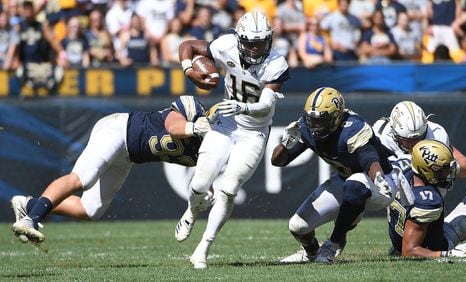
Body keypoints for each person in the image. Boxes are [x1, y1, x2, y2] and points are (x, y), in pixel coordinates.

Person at [11, 96, 212, 244]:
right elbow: (173, 127)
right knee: (82, 179)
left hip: (128, 156)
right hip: (118, 131)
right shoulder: (192, 107)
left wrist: (205, 196)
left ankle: (29, 205)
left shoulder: (211, 151)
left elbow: (201, 181)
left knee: (90, 211)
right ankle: (31, 220)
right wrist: (195, 127)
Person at [175, 11, 289, 269]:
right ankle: (192, 211)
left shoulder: (276, 64)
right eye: (251, 42)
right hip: (226, 124)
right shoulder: (225, 45)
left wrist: (242, 108)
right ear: (239, 40)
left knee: (227, 189)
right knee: (200, 184)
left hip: (254, 131)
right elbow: (187, 46)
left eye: (261, 42)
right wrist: (188, 70)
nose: (256, 48)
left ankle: (202, 249)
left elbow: (265, 104)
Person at [273, 87, 397, 264]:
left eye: (321, 121)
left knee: (355, 184)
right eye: (312, 120)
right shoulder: (306, 127)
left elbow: (369, 160)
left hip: (380, 183)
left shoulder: (353, 128)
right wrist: (285, 144)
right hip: (345, 180)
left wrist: (378, 177)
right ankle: (311, 252)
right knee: (297, 226)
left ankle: (334, 243)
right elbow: (278, 162)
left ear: (336, 117)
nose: (315, 126)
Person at [387, 139, 466, 258]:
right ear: (427, 170)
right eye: (443, 170)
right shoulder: (428, 200)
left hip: (401, 239)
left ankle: (403, 243)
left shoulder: (402, 173)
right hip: (428, 246)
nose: (447, 174)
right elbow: (409, 252)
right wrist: (446, 253)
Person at [372, 100, 466, 204]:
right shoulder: (382, 136)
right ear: (394, 133)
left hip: (429, 194)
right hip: (394, 192)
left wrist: (448, 168)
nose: (414, 145)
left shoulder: (435, 134)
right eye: (408, 141)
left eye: (418, 139)